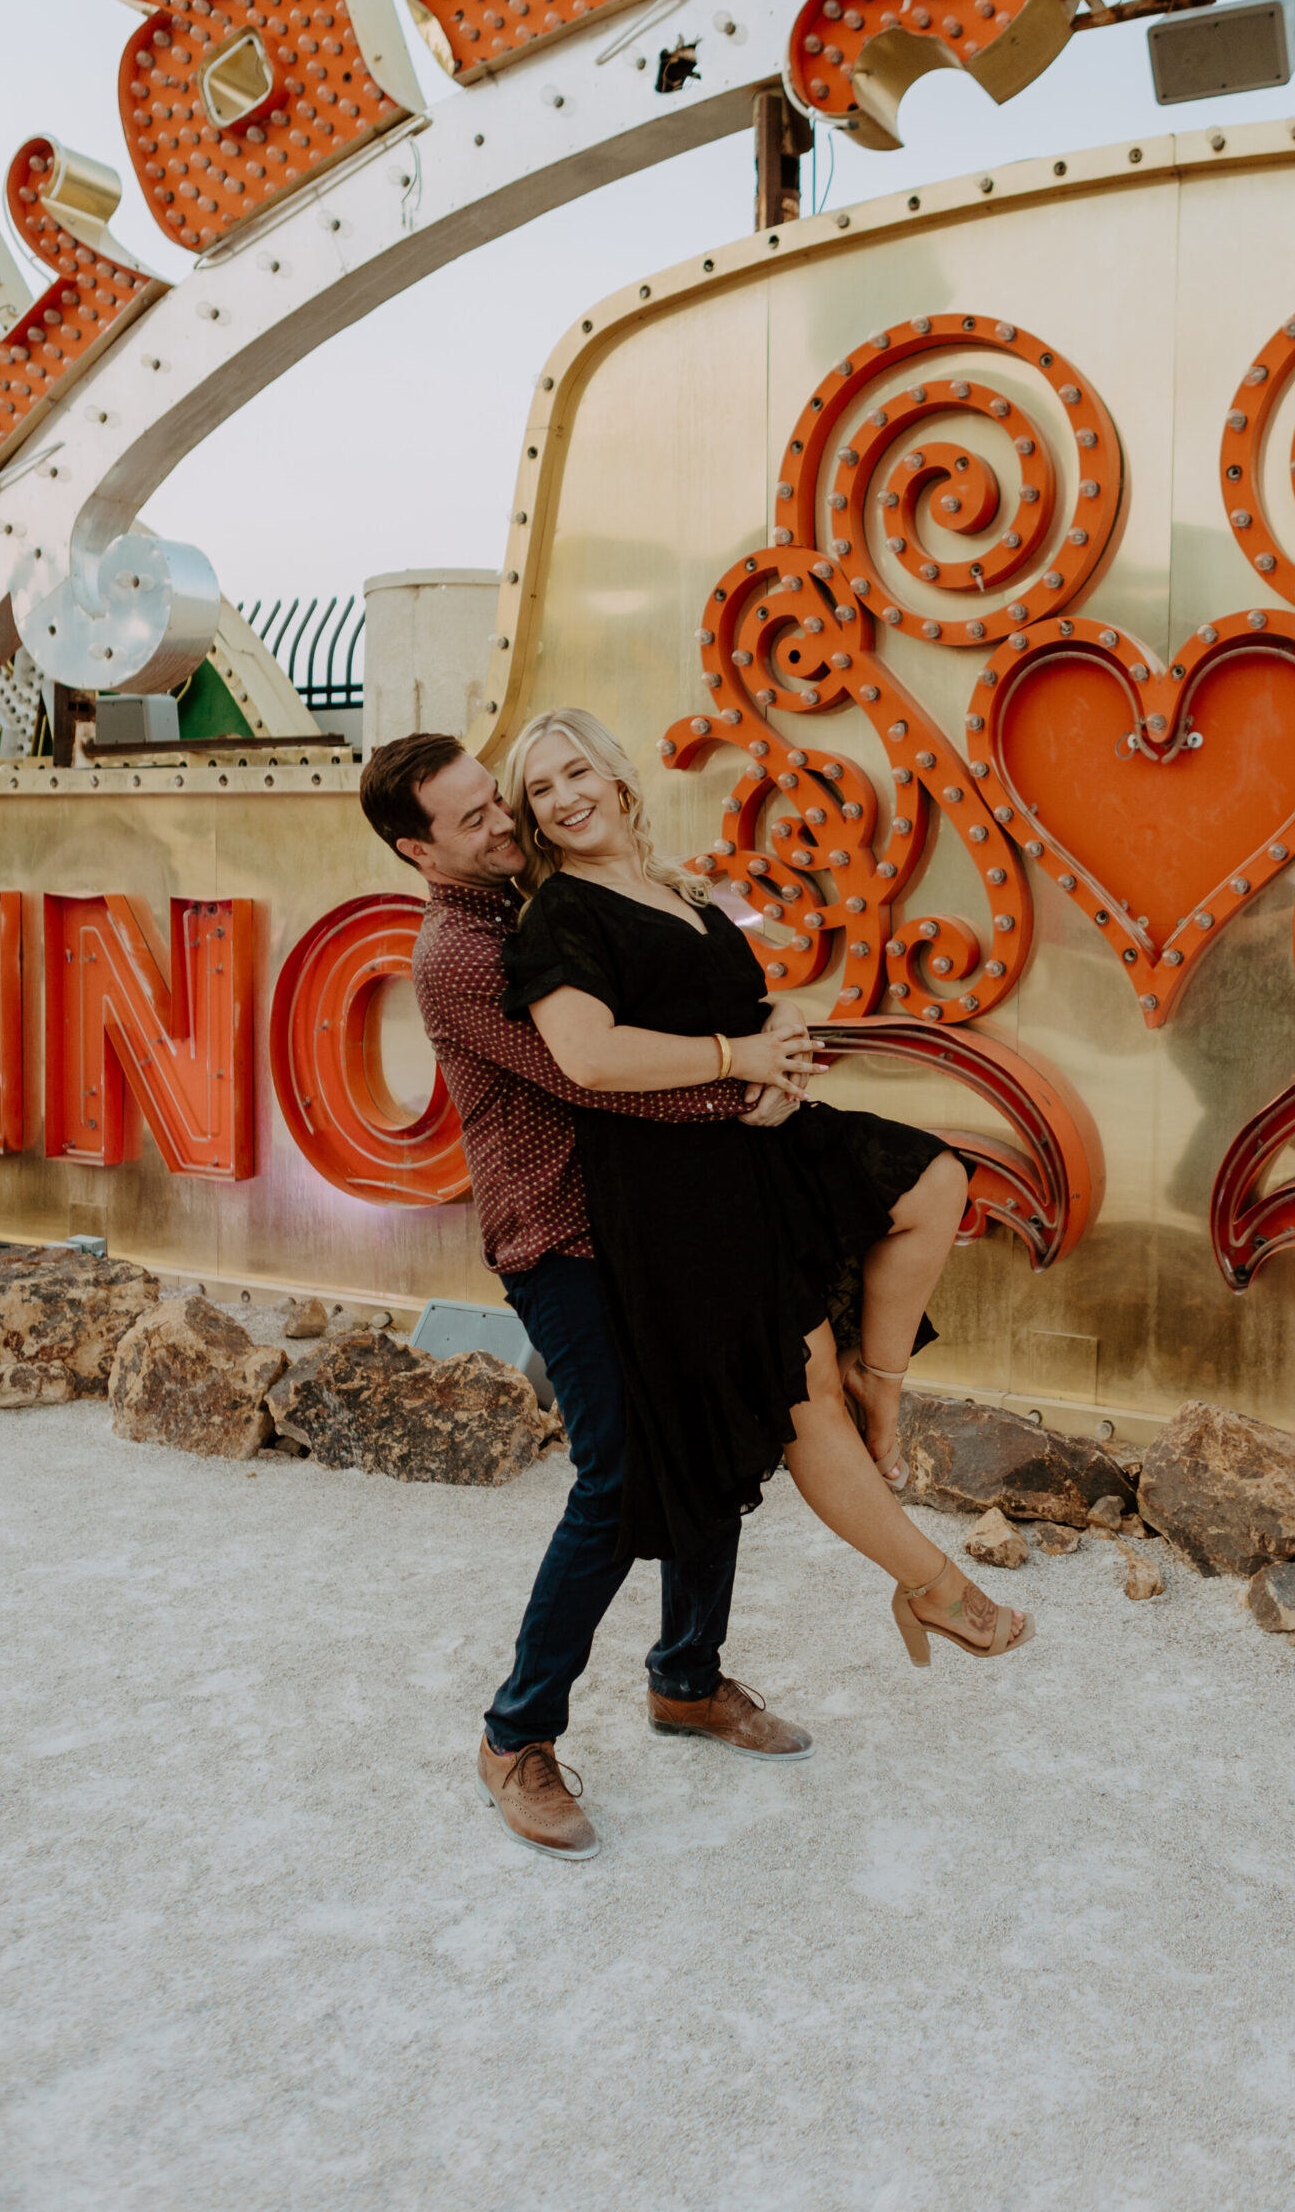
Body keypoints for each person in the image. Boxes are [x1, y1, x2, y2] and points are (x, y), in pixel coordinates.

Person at [359, 732, 819, 1867]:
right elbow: (593, 1078)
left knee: (714, 1435)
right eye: (472, 823)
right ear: (419, 851)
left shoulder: (551, 896)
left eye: (495, 800)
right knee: (615, 1474)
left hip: (656, 1222)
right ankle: (517, 1735)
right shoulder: (459, 957)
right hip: (560, 1240)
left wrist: (762, 1061)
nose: (506, 823)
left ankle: (687, 1679)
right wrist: (747, 1078)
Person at [496, 708, 1034, 1674]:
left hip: (756, 1151)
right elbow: (586, 1057)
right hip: (678, 1189)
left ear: (617, 777)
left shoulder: (675, 886)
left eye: (577, 772)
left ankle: (887, 1379)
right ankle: (937, 1589)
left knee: (933, 1180)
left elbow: (743, 1001)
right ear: (531, 818)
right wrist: (735, 1054)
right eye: (541, 789)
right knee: (802, 1400)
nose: (566, 798)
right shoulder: (561, 913)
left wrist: (778, 1034)